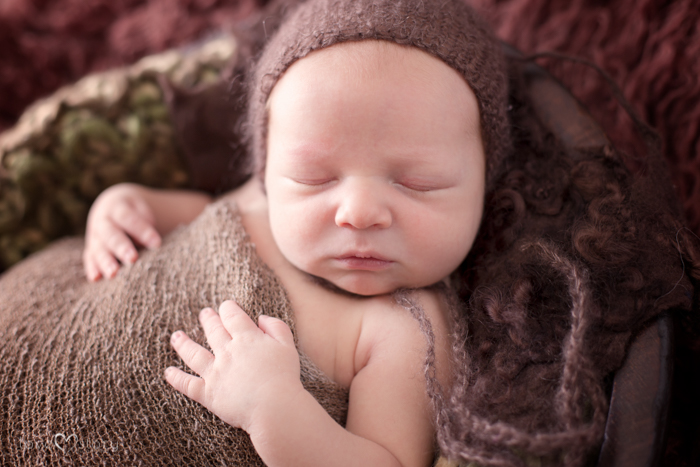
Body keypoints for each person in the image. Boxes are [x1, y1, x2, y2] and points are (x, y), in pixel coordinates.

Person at [81, 0, 509, 465]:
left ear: (485, 185)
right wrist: (120, 206)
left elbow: (389, 460)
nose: (359, 213)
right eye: (314, 177)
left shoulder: (409, 330)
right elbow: (171, 213)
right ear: (268, 172)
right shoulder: (254, 203)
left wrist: (273, 409)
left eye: (418, 183)